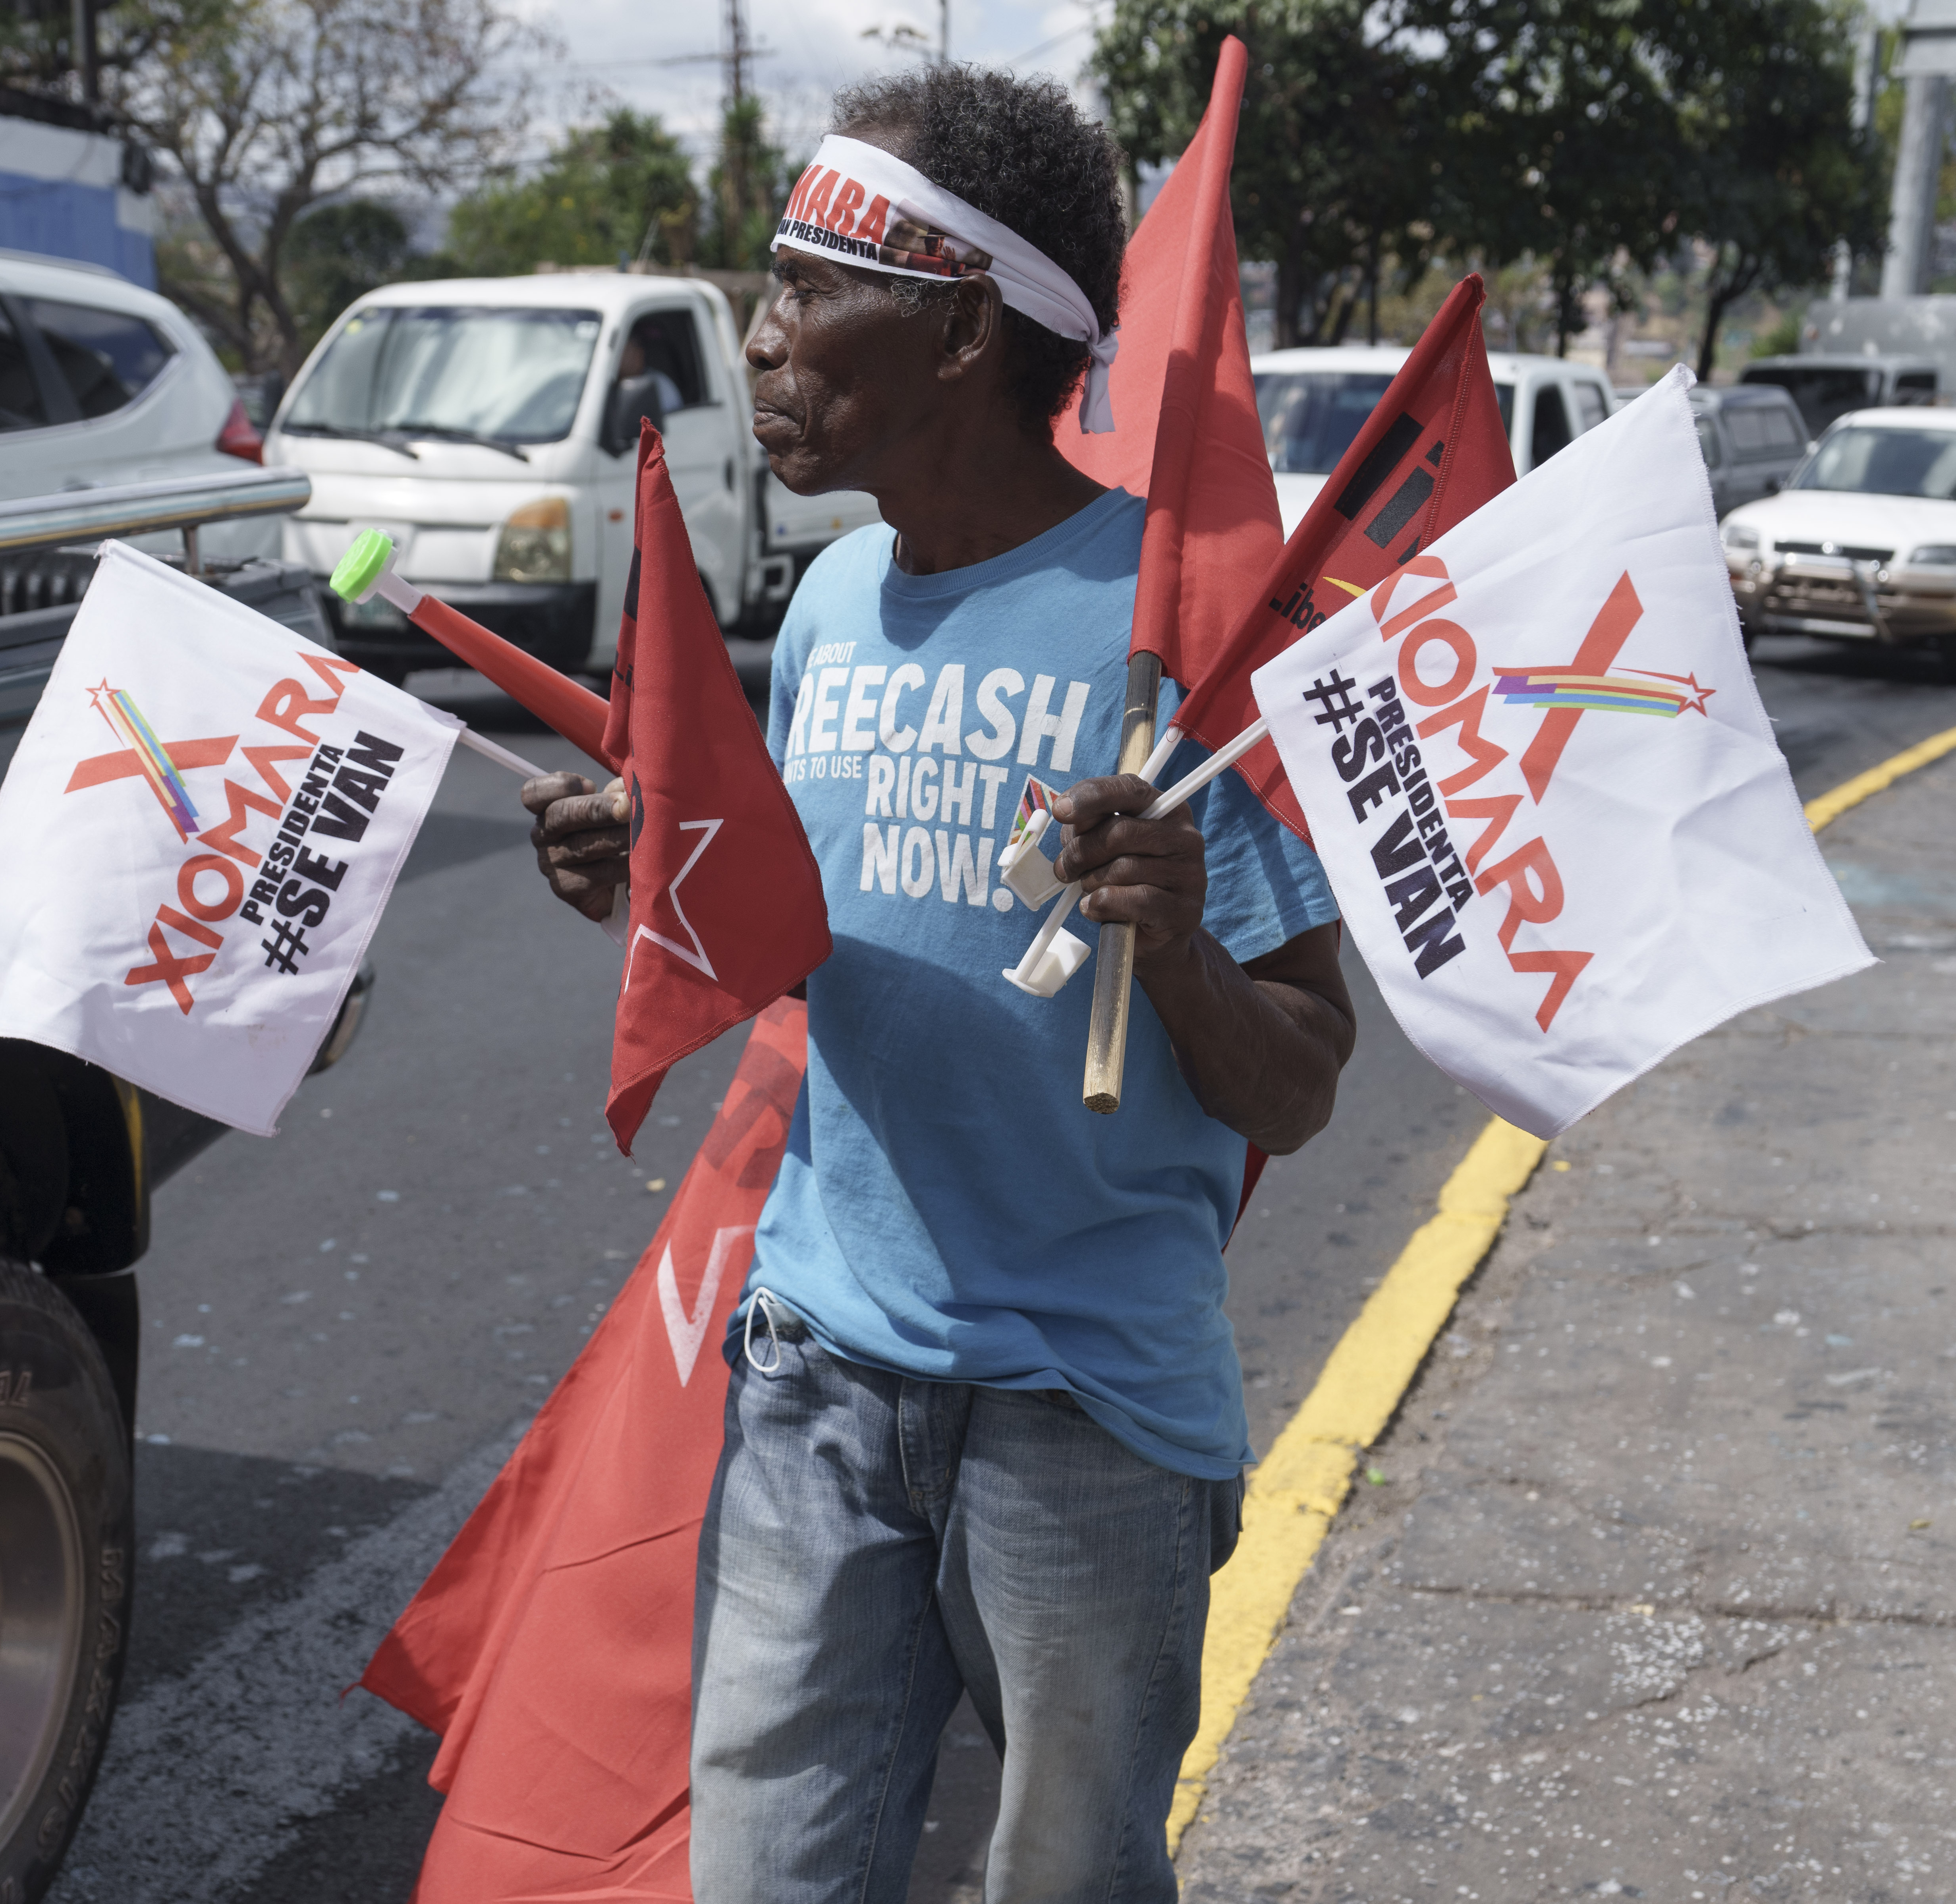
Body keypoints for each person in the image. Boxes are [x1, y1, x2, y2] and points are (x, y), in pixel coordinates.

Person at [519, 65, 1355, 1904]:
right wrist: (652, 880)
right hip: (814, 1374)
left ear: (964, 325)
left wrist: (1181, 944)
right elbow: (810, 950)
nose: (762, 333)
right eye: (772, 285)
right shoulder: (823, 612)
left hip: (1086, 1422)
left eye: (812, 287)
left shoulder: (1169, 640)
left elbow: (1298, 1079)